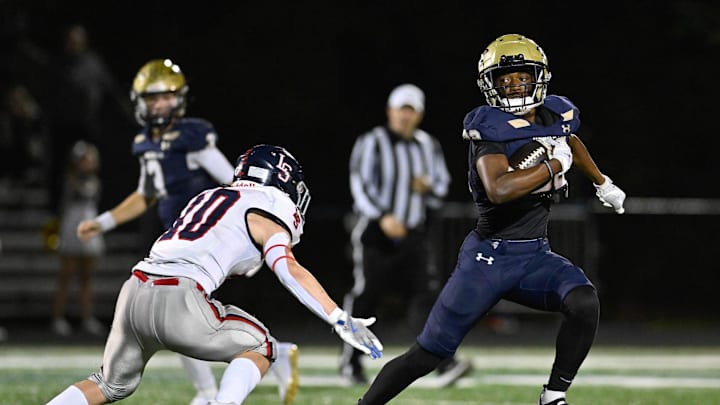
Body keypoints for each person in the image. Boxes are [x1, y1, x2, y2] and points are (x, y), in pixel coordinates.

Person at [356, 33, 626, 405]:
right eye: (504, 79)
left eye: (521, 76)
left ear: (538, 78)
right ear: (490, 85)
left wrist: (602, 182)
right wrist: (553, 165)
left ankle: (553, 396)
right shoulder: (489, 128)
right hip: (488, 260)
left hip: (534, 255)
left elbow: (570, 140)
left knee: (584, 301)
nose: (514, 85)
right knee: (427, 355)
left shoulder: (556, 114)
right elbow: (499, 188)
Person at [47, 144, 384, 405]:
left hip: (135, 289)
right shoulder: (269, 204)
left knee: (108, 384)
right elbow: (288, 268)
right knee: (262, 346)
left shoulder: (210, 195)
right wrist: (339, 318)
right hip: (180, 297)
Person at [73, 59, 299, 405]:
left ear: (179, 99)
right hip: (176, 237)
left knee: (188, 321)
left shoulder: (193, 138)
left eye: (165, 97)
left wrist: (250, 237)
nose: (158, 105)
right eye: (151, 99)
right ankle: (260, 364)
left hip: (206, 242)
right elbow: (145, 195)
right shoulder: (147, 142)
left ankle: (220, 385)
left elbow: (236, 184)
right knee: (183, 322)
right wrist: (104, 222)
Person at [342, 83, 470, 387]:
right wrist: (382, 216)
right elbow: (359, 183)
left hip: (413, 232)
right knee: (366, 296)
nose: (405, 116)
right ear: (390, 111)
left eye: (411, 111)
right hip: (375, 231)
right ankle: (351, 362)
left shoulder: (428, 145)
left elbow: (441, 188)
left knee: (426, 298)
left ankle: (442, 362)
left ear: (420, 115)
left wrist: (428, 188)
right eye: (401, 109)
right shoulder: (372, 142)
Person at [51, 140, 106, 337]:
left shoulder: (95, 180)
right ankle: (58, 317)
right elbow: (64, 204)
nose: (89, 163)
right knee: (66, 274)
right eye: (85, 159)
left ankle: (87, 317)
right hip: (72, 225)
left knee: (87, 277)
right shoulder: (70, 179)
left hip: (89, 223)